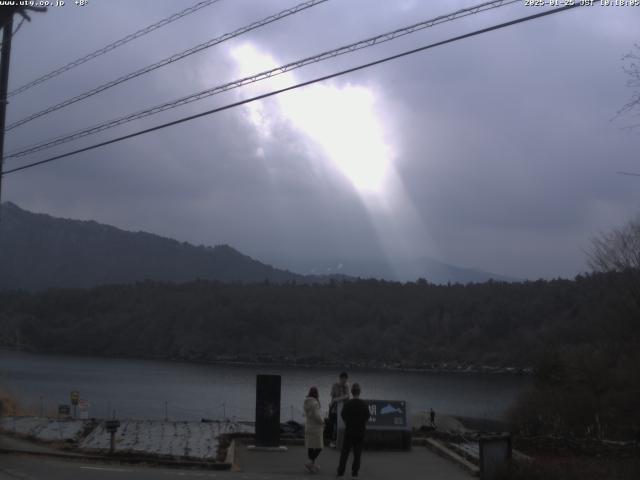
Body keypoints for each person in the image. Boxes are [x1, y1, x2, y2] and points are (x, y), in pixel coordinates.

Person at [336, 383, 370, 478]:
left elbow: (343, 415)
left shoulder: (347, 404)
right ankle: (354, 473)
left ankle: (340, 472)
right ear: (359, 392)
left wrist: (348, 422)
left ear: (351, 392)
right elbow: (367, 416)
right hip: (360, 432)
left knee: (345, 453)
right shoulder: (364, 404)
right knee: (357, 454)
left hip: (349, 431)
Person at [303, 386, 324, 473]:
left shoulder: (306, 402)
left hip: (308, 426)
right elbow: (316, 416)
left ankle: (312, 466)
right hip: (315, 428)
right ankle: (310, 462)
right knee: (319, 447)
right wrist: (322, 421)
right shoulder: (315, 403)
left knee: (311, 447)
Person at [329, 372, 350, 447]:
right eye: (343, 379)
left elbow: (347, 396)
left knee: (341, 425)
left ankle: (339, 441)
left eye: (345, 380)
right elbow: (333, 397)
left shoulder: (347, 385)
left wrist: (337, 399)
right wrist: (336, 400)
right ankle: (332, 441)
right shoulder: (335, 385)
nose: (344, 381)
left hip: (343, 410)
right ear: (340, 378)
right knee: (332, 425)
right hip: (334, 409)